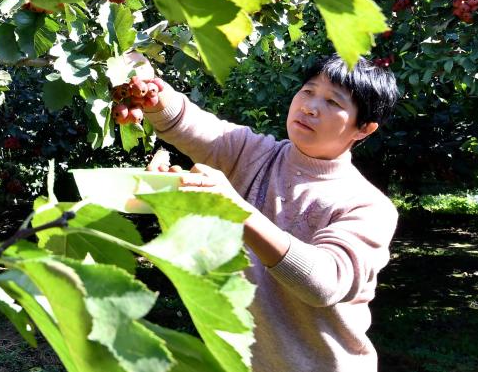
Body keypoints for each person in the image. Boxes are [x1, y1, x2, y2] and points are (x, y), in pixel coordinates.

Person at [141, 53, 400, 372]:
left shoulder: (367, 206)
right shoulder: (252, 154)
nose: (310, 106)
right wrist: (148, 90)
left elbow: (324, 283)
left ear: (364, 128)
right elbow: (190, 125)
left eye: (333, 102)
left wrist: (237, 210)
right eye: (308, 91)